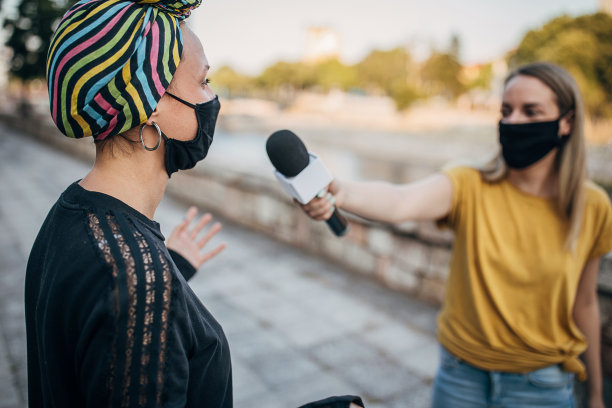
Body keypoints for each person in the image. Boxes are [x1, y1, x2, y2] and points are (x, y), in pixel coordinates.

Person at [27, 0, 365, 407]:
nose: (212, 99)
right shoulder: (138, 281)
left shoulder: (68, 216)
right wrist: (153, 284)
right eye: (204, 82)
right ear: (149, 105)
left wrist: (170, 274)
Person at [301, 62, 612, 408]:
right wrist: (341, 193)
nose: (513, 122)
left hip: (542, 386)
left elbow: (585, 302)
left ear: (566, 122)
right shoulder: (470, 183)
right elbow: (402, 201)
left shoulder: (592, 206)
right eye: (506, 111)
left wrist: (597, 394)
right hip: (461, 378)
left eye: (531, 111)